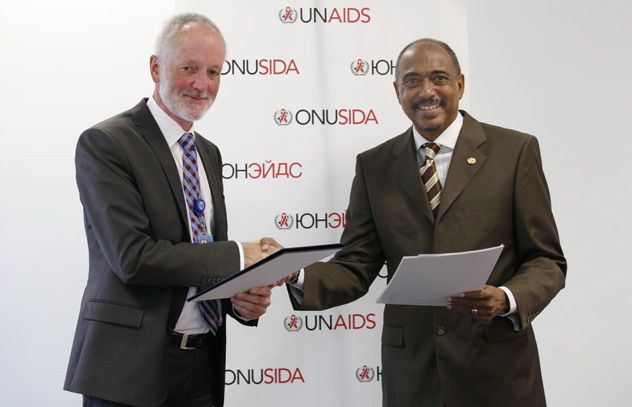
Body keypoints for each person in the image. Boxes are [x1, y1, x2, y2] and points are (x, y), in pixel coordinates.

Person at [283, 38, 566, 406]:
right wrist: (294, 273)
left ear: (460, 85)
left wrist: (507, 298)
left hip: (497, 372)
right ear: (397, 90)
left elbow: (546, 261)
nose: (426, 92)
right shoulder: (374, 166)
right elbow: (356, 265)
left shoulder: (514, 152)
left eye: (439, 78)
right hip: (413, 376)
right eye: (413, 81)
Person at [64, 13, 275, 407]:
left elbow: (199, 252)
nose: (202, 84)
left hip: (202, 365)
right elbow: (133, 258)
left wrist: (238, 298)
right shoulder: (106, 143)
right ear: (156, 67)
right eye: (189, 68)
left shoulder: (208, 153)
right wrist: (239, 255)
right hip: (128, 372)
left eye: (214, 72)